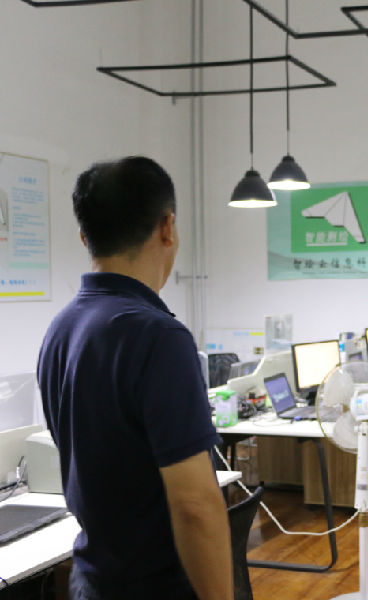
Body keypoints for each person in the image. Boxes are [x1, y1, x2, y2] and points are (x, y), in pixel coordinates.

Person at [37, 157, 233, 600]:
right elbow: (194, 505)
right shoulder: (158, 336)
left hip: (92, 580)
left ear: (85, 236)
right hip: (156, 587)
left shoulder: (61, 329)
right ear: (168, 227)